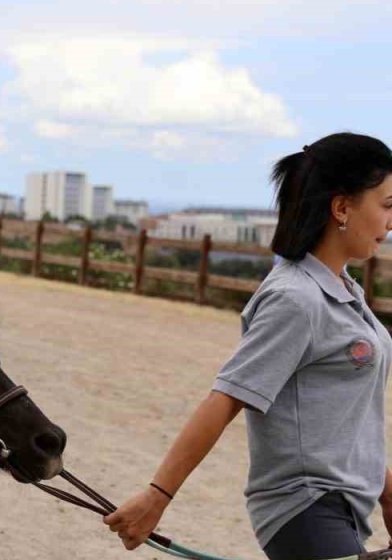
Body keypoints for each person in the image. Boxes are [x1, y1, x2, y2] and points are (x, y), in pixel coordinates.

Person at [106, 133, 392, 560]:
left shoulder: (343, 291)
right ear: (342, 208)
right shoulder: (295, 299)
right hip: (305, 509)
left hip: (342, 506)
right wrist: (156, 496)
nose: (391, 220)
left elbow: (344, 418)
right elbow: (226, 398)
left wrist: (387, 493)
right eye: (387, 205)